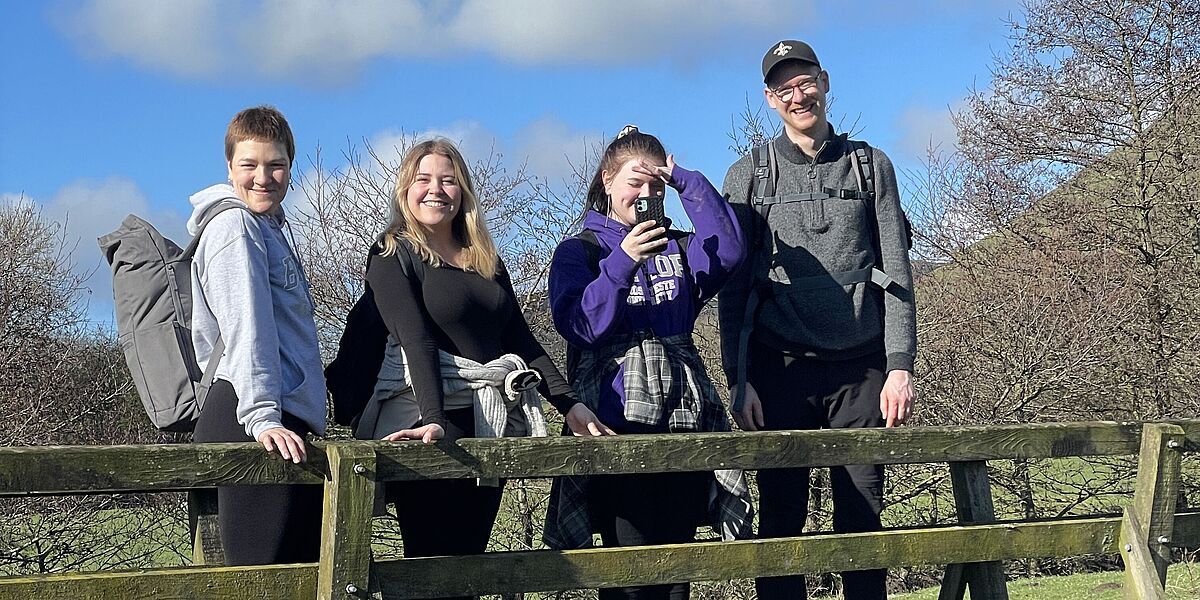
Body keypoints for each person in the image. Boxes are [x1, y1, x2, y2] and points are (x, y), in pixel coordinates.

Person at [717, 40, 918, 600]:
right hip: (777, 368)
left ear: (825, 83)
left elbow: (897, 270)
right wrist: (739, 380)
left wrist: (900, 366)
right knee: (781, 520)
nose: (798, 95)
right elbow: (733, 291)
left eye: (806, 82)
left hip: (861, 370)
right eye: (784, 88)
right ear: (769, 99)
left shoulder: (872, 166)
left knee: (862, 514)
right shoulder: (748, 175)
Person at [354, 139, 577, 600]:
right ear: (405, 190)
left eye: (448, 180)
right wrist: (434, 417)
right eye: (424, 179)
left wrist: (570, 406)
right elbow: (416, 338)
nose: (436, 190)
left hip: (486, 423)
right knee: (429, 574)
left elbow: (520, 338)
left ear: (464, 193)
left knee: (468, 571)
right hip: (427, 422)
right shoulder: (392, 253)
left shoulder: (484, 260)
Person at [544, 125, 753, 600]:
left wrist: (685, 180)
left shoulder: (679, 248)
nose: (645, 194)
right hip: (613, 430)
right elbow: (580, 326)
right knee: (626, 575)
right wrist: (623, 260)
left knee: (678, 573)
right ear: (607, 181)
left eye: (655, 186)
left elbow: (732, 248)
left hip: (684, 424)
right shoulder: (580, 252)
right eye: (635, 183)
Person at [188, 105, 326, 565]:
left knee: (300, 581)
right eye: (249, 164)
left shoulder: (270, 230)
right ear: (229, 167)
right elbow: (248, 331)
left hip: (277, 420)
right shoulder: (236, 226)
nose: (262, 177)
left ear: (291, 166)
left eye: (276, 164)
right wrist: (264, 418)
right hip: (254, 420)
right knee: (260, 580)